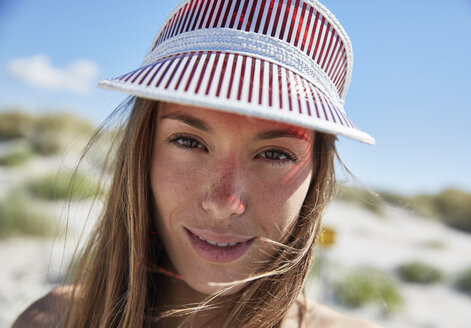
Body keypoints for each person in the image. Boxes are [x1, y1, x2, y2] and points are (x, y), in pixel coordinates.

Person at [13, 0, 380, 327]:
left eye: (275, 154)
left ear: (316, 176)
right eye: (188, 142)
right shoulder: (54, 320)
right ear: (142, 151)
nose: (223, 203)